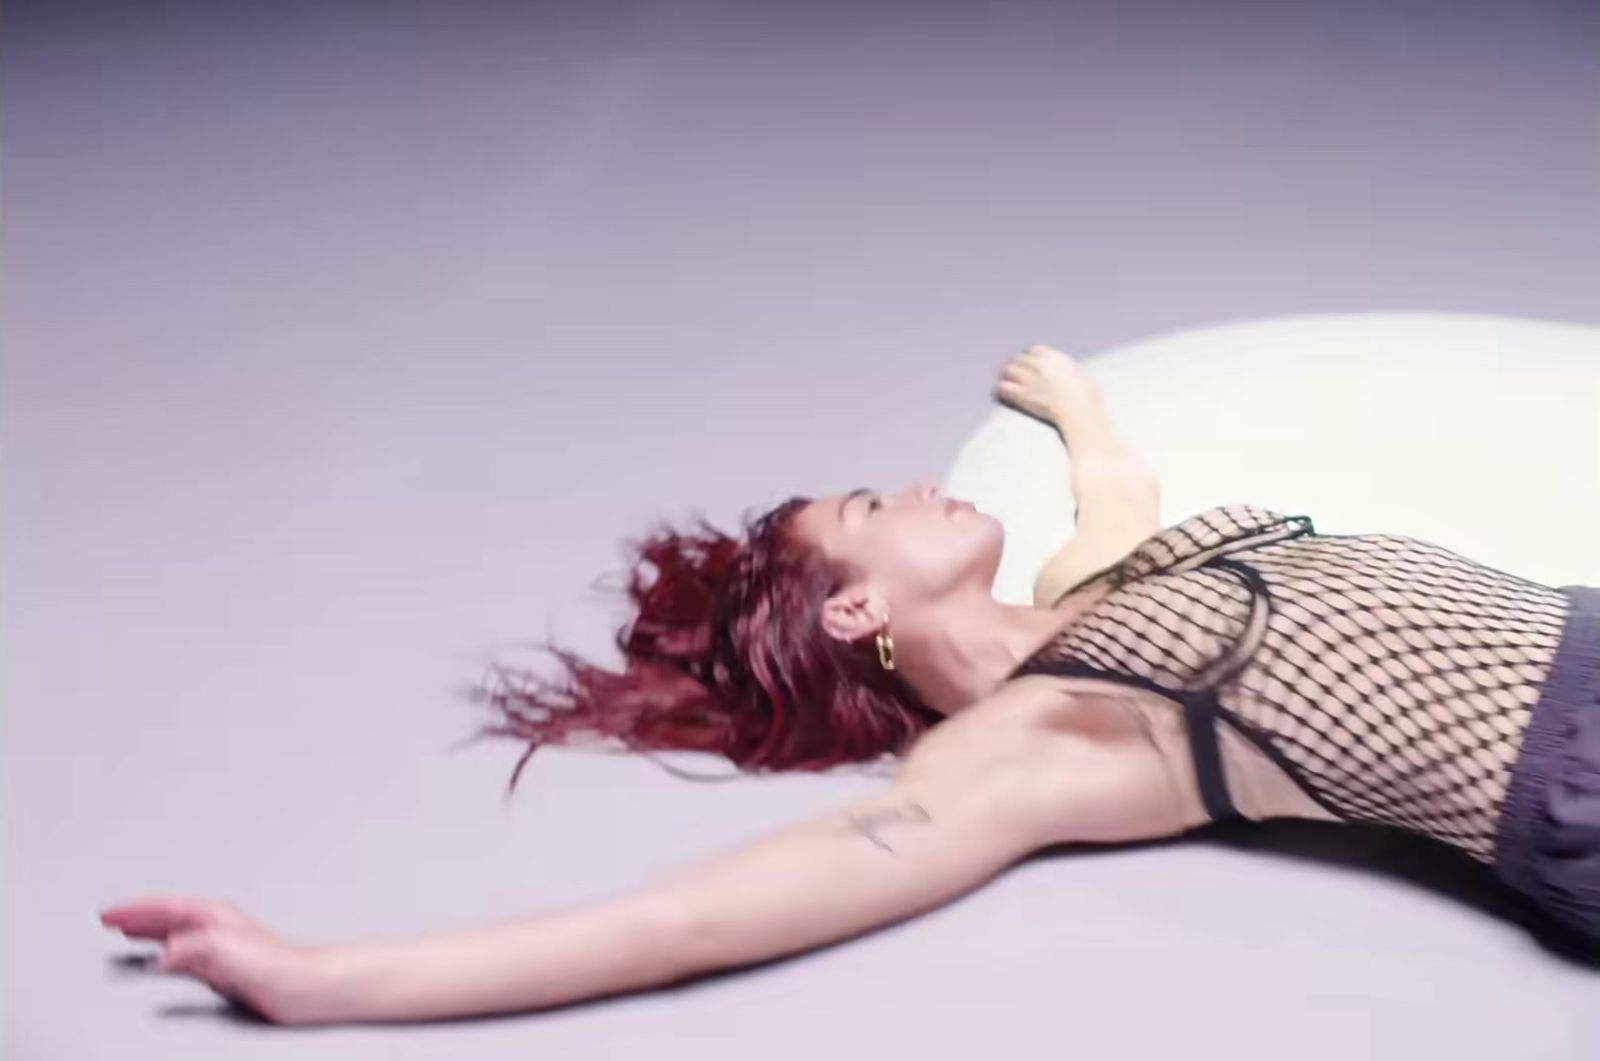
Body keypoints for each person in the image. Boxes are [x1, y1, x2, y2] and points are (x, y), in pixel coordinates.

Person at [99, 345, 1600, 1026]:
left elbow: (1119, 480)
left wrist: (1068, 394)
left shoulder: (1098, 588)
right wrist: (318, 978)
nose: (904, 485)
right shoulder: (1044, 739)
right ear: (864, 608)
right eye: (869, 509)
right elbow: (684, 922)